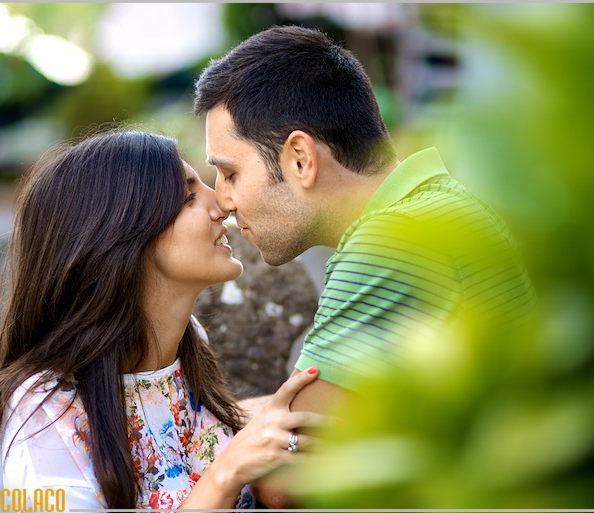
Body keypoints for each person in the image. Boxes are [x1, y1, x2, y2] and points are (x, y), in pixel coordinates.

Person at [194, 25, 537, 505]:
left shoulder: (390, 243)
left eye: (230, 172)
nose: (224, 200)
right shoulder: (432, 206)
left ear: (299, 159)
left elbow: (283, 481)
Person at [0, 130, 323, 511]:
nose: (222, 204)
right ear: (122, 234)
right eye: (188, 197)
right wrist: (226, 474)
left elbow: (197, 430)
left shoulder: (185, 347)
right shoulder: (45, 416)